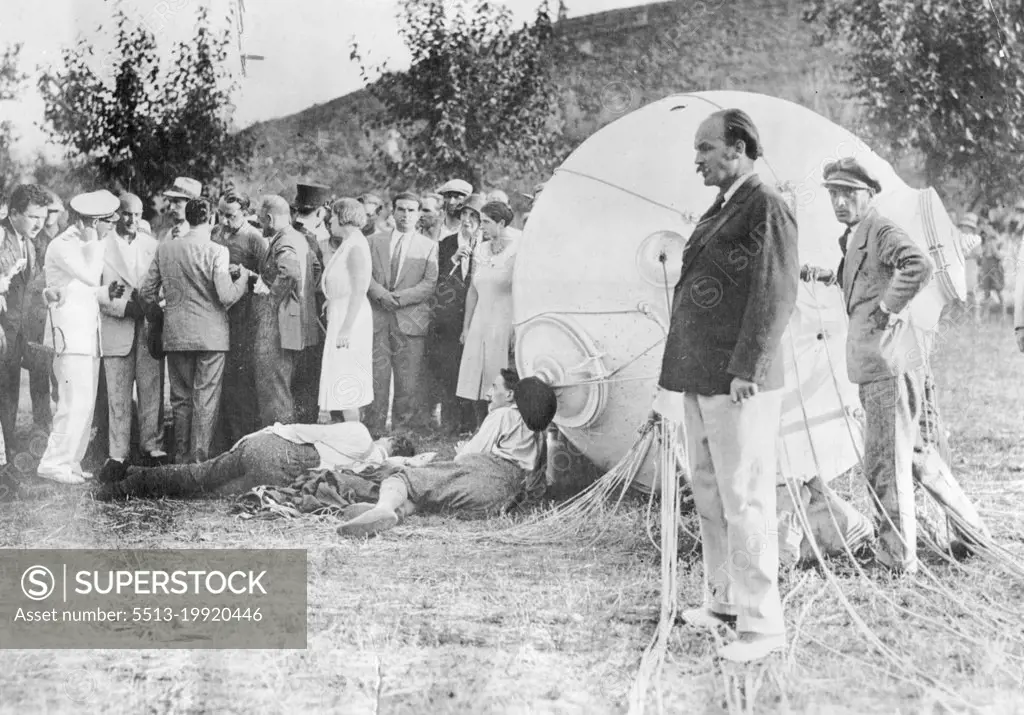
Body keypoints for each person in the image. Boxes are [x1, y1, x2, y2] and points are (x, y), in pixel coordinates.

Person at [651, 109, 799, 663]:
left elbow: (775, 293)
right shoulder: (725, 205)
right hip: (703, 377)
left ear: (737, 148)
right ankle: (726, 601)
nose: (697, 159)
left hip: (739, 382)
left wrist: (748, 370)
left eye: (705, 148)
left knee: (747, 498)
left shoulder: (767, 205)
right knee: (711, 492)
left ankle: (762, 626)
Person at [801, 156, 933, 576]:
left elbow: (918, 265)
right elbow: (862, 279)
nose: (840, 202)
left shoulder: (879, 230)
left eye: (849, 194)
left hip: (886, 366)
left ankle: (895, 560)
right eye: (834, 195)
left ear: (869, 195)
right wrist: (822, 275)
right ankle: (961, 534)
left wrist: (886, 308)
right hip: (877, 365)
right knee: (902, 458)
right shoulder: (856, 236)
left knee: (884, 463)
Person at [338, 368, 556, 538]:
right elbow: (536, 484)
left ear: (510, 395)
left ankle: (384, 507)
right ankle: (396, 513)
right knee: (432, 496)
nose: (489, 393)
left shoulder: (504, 415)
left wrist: (464, 451)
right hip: (501, 500)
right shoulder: (538, 433)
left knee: (405, 477)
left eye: (493, 386)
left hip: (484, 476)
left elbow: (466, 456)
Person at [139, 198, 250, 464]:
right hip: (211, 337)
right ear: (211, 219)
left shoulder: (166, 249)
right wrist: (243, 280)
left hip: (176, 334)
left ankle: (181, 456)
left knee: (181, 399)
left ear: (188, 218)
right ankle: (199, 462)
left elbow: (146, 292)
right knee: (206, 399)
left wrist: (162, 316)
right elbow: (225, 296)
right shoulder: (217, 251)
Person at [36, 190, 126, 484]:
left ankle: (71, 460)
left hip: (87, 336)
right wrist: (95, 241)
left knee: (85, 404)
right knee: (72, 402)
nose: (111, 228)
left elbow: (86, 289)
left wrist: (105, 293)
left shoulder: (84, 242)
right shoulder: (64, 245)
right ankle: (53, 462)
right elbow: (88, 275)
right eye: (107, 223)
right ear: (94, 221)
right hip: (69, 336)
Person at [95, 420, 418, 501]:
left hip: (272, 448)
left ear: (386, 439)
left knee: (199, 476)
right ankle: (128, 481)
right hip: (281, 471)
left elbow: (302, 429)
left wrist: (258, 435)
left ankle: (127, 477)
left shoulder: (362, 435)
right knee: (203, 492)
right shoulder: (376, 473)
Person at [95, 193, 165, 484]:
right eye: (126, 214)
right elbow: (97, 290)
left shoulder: (153, 245)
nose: (133, 220)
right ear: (116, 215)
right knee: (118, 396)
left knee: (151, 391)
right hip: (117, 326)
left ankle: (152, 448)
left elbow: (162, 285)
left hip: (147, 328)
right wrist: (125, 307)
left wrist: (152, 307)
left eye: (137, 215)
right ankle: (118, 455)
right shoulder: (101, 247)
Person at [365, 192, 439, 433]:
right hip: (378, 319)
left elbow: (429, 283)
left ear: (418, 214)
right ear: (392, 211)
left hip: (410, 321)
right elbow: (364, 275)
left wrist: (398, 299)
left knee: (407, 383)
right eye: (401, 209)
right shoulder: (374, 241)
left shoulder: (429, 246)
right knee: (378, 379)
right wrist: (381, 295)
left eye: (411, 210)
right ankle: (374, 430)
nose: (405, 215)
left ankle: (400, 434)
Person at [253, 195, 321, 427]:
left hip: (280, 323)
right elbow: (315, 268)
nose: (260, 224)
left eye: (261, 220)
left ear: (270, 218)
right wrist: (302, 298)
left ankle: (278, 441)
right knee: (286, 385)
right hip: (296, 322)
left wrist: (272, 300)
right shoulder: (299, 237)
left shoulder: (283, 241)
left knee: (275, 386)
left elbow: (290, 271)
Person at [211, 192, 268, 448]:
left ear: (245, 212)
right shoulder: (216, 233)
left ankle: (243, 438)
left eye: (230, 215)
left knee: (240, 377)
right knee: (220, 377)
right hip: (218, 312)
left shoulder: (254, 238)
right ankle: (222, 438)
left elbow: (269, 276)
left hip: (244, 316)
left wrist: (246, 274)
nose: (224, 220)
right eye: (221, 213)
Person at [0, 184, 51, 465]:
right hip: (2, 330)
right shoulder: (0, 236)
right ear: (14, 212)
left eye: (42, 218)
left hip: (20, 333)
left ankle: (8, 453)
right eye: (33, 217)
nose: (39, 223)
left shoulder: (30, 243)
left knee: (10, 392)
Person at [456, 201, 518, 428]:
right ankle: (480, 430)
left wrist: (516, 327)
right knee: (474, 375)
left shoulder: (518, 247)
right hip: (480, 320)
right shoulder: (481, 249)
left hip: (504, 321)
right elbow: (473, 289)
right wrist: (466, 327)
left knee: (497, 374)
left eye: (486, 222)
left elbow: (522, 291)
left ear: (501, 223)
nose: (480, 226)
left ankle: (500, 429)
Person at [427, 193, 485, 435]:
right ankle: (451, 424)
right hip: (449, 320)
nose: (468, 220)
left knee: (474, 370)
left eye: (474, 216)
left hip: (477, 318)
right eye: (465, 214)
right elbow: (435, 285)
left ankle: (473, 424)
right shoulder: (446, 244)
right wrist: (452, 261)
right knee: (450, 370)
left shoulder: (486, 247)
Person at [319, 198, 374, 423]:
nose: (329, 220)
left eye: (332, 215)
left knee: (347, 376)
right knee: (340, 374)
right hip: (341, 312)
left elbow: (359, 289)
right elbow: (344, 282)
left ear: (343, 217)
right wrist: (331, 299)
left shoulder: (356, 245)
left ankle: (355, 435)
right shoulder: (349, 242)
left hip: (351, 319)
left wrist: (346, 328)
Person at [291, 183, 329, 424]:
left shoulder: (284, 233)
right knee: (307, 379)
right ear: (320, 212)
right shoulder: (312, 240)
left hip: (287, 318)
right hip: (310, 319)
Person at [157, 177, 201, 241]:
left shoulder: (199, 232)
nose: (171, 207)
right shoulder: (173, 229)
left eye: (176, 202)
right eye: (171, 202)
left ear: (192, 204)